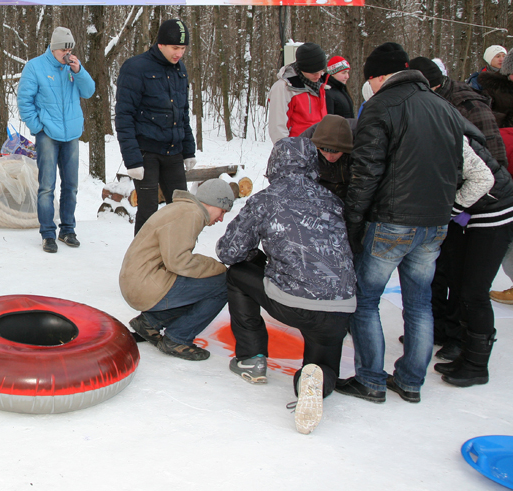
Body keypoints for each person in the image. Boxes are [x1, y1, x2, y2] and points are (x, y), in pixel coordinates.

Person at [337, 42, 468, 405]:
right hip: (435, 223)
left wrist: (352, 222)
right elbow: (456, 169)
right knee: (420, 303)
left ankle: (370, 379)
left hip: (393, 221)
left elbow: (366, 172)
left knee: (364, 301)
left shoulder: (381, 107)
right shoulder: (444, 108)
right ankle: (411, 381)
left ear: (379, 76)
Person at [217, 137, 356, 435]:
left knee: (238, 273)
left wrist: (256, 257)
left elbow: (228, 252)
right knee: (323, 367)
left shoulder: (266, 199)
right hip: (340, 307)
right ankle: (311, 379)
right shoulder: (331, 199)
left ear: (274, 164)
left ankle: (251, 357)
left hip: (294, 300)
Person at [120, 179, 234, 361]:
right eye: (223, 211)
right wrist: (217, 267)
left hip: (139, 281)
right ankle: (178, 338)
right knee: (223, 284)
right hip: (144, 285)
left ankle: (149, 322)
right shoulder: (190, 214)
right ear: (215, 202)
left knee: (201, 283)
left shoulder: (183, 209)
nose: (221, 218)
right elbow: (179, 262)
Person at [432, 131, 513, 387]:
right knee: (460, 284)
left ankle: (477, 365)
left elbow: (482, 180)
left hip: (494, 211)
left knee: (474, 292)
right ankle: (465, 353)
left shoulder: (448, 135)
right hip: (471, 214)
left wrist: (451, 209)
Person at [17, 27, 95, 252]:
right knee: (47, 187)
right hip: (48, 134)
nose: (67, 53)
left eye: (70, 49)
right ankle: (48, 233)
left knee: (71, 186)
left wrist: (79, 70)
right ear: (53, 48)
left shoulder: (73, 68)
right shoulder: (35, 67)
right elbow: (24, 100)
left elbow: (89, 91)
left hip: (71, 134)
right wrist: (37, 127)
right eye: (64, 49)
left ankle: (68, 230)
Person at [116, 19, 197, 235]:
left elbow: (183, 112)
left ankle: (178, 258)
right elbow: (124, 116)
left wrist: (189, 150)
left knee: (182, 209)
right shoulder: (135, 67)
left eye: (183, 48)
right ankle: (141, 263)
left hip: (174, 151)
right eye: (175, 48)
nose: (179, 53)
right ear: (160, 44)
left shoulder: (180, 69)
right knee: (149, 211)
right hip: (146, 153)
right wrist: (132, 159)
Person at [267, 42, 327, 143]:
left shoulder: (320, 85)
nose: (319, 76)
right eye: (314, 73)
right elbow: (277, 128)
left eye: (321, 71)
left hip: (319, 148)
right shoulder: (283, 88)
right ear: (302, 69)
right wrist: (287, 152)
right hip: (296, 149)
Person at [300, 113, 354, 201]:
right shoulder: (304, 149)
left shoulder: (361, 150)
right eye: (323, 150)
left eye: (335, 152)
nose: (329, 157)